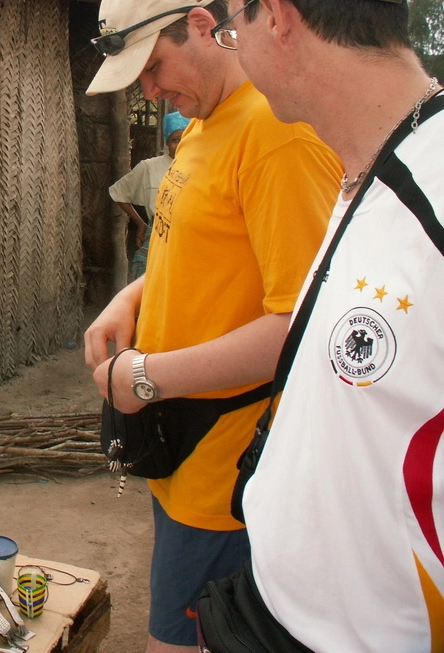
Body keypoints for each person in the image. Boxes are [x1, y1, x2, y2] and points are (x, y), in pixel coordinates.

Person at [83, 0, 342, 650]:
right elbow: (205, 246)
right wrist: (132, 299)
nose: (149, 90)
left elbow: (300, 326)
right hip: (182, 453)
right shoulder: (205, 123)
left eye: (154, 67)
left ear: (202, 24)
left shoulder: (277, 134)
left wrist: (144, 376)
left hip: (227, 469)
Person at [198, 1, 444, 650]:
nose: (234, 51)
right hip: (274, 610)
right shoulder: (362, 168)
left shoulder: (434, 198)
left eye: (232, 29)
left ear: (276, 15)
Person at [109, 111, 191, 279]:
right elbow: (118, 193)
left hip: (191, 239)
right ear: (167, 142)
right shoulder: (150, 167)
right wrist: (140, 223)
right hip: (157, 236)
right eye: (175, 140)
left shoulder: (203, 168)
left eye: (186, 139)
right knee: (150, 287)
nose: (181, 144)